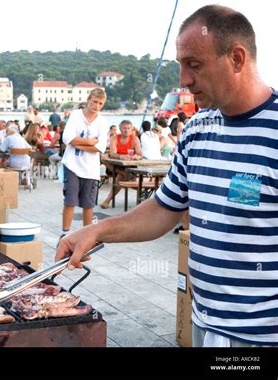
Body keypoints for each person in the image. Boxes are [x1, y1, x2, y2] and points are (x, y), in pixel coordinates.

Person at [56, 5, 278, 347]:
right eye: (180, 65)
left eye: (194, 64)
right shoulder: (195, 131)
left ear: (236, 59)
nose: (184, 81)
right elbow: (164, 209)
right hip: (205, 323)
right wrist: (96, 230)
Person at [59, 88, 109, 243]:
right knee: (70, 201)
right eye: (94, 102)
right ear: (88, 100)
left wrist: (78, 144)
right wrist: (89, 141)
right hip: (72, 165)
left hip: (91, 169)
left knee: (88, 204)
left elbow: (100, 147)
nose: (96, 106)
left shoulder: (103, 122)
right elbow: (67, 138)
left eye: (100, 103)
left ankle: (87, 235)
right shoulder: (76, 115)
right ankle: (65, 233)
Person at [100, 120, 142, 209]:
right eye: (124, 128)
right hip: (115, 166)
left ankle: (107, 200)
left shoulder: (135, 139)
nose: (126, 130)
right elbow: (112, 153)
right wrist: (121, 156)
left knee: (120, 177)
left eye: (128, 128)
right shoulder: (114, 138)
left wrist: (136, 156)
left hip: (130, 166)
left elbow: (140, 154)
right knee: (102, 157)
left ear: (131, 129)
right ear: (120, 129)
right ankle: (124, 174)